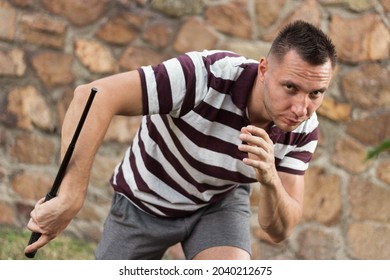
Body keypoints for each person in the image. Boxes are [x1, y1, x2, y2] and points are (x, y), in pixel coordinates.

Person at [25, 20, 337, 260]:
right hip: (144, 197)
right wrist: (70, 196)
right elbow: (93, 96)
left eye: (315, 93)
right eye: (291, 88)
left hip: (217, 203)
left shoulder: (304, 128)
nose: (301, 108)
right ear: (264, 69)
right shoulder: (203, 76)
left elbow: (279, 230)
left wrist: (270, 181)